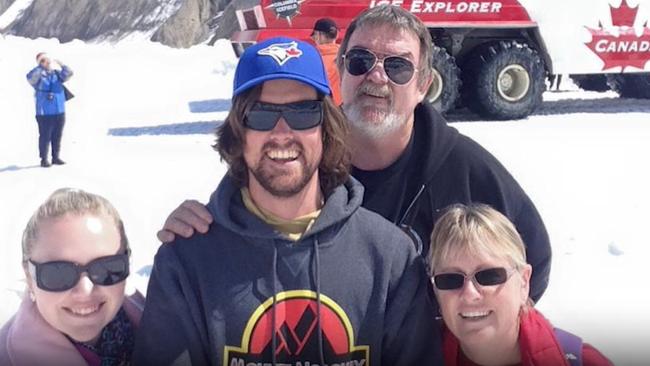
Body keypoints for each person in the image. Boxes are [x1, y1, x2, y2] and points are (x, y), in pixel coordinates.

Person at [158, 5, 552, 303]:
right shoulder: (291, 155)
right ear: (342, 72)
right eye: (362, 61)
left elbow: (533, 258)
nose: (376, 76)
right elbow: (233, 223)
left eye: (397, 67)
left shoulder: (464, 169)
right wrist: (195, 224)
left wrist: (473, 334)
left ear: (423, 85)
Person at [132, 37, 440, 365]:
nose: (281, 132)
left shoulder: (389, 258)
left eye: (303, 112)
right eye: (260, 114)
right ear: (238, 130)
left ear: (326, 128)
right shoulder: (187, 260)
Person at [429, 203, 612, 366]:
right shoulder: (411, 354)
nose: (469, 293)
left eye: (490, 276)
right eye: (450, 279)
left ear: (524, 282)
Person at [0, 188, 143, 366]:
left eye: (107, 268)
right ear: (29, 278)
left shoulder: (157, 315)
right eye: (58, 272)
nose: (85, 290)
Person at [26, 52, 73, 167]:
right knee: (45, 136)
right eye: (42, 61)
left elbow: (69, 74)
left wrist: (62, 65)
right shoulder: (38, 76)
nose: (46, 62)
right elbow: (29, 78)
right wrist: (40, 67)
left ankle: (55, 157)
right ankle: (44, 159)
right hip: (45, 113)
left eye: (47, 60)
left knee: (57, 135)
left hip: (59, 111)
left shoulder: (56, 74)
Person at [311, 18, 342, 105]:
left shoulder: (311, 60)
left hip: (320, 110)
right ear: (337, 35)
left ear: (318, 35)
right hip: (343, 110)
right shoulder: (346, 57)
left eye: (314, 36)